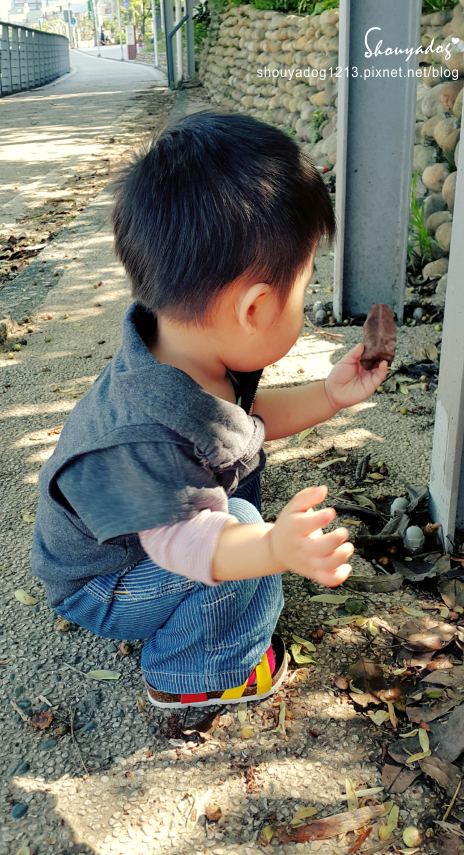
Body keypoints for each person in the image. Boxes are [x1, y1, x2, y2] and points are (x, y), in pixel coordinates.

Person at [31, 113, 388, 710]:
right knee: (245, 536)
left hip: (139, 536)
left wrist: (330, 396)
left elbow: (243, 424)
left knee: (245, 527)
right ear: (254, 309)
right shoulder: (142, 432)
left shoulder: (183, 351)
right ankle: (191, 673)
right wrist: (273, 549)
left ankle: (203, 618)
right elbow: (184, 545)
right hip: (102, 582)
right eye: (304, 286)